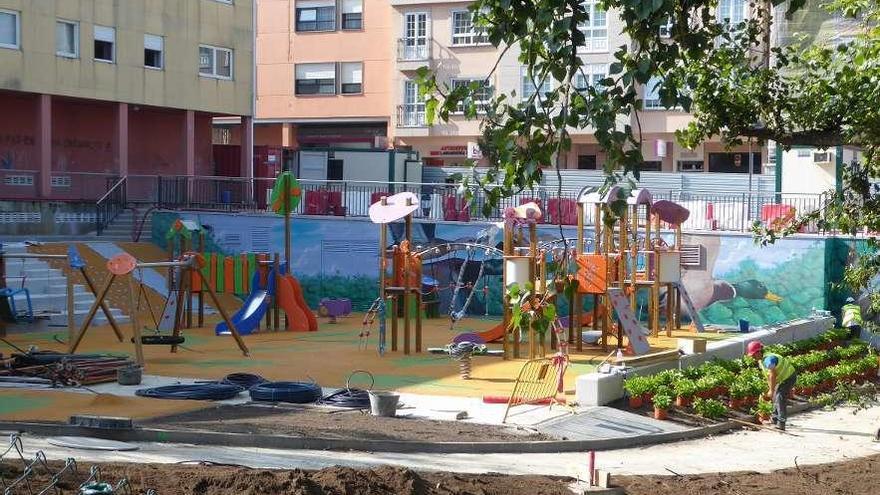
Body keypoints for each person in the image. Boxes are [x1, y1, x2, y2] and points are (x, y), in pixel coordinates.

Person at [746, 340, 797, 431]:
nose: (753, 357)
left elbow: (772, 374)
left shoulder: (768, 359)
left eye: (754, 355)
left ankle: (781, 423)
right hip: (782, 379)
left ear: (759, 352)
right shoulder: (761, 360)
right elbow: (769, 376)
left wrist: (771, 390)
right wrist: (770, 389)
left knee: (780, 397)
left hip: (789, 377)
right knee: (775, 396)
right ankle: (774, 419)